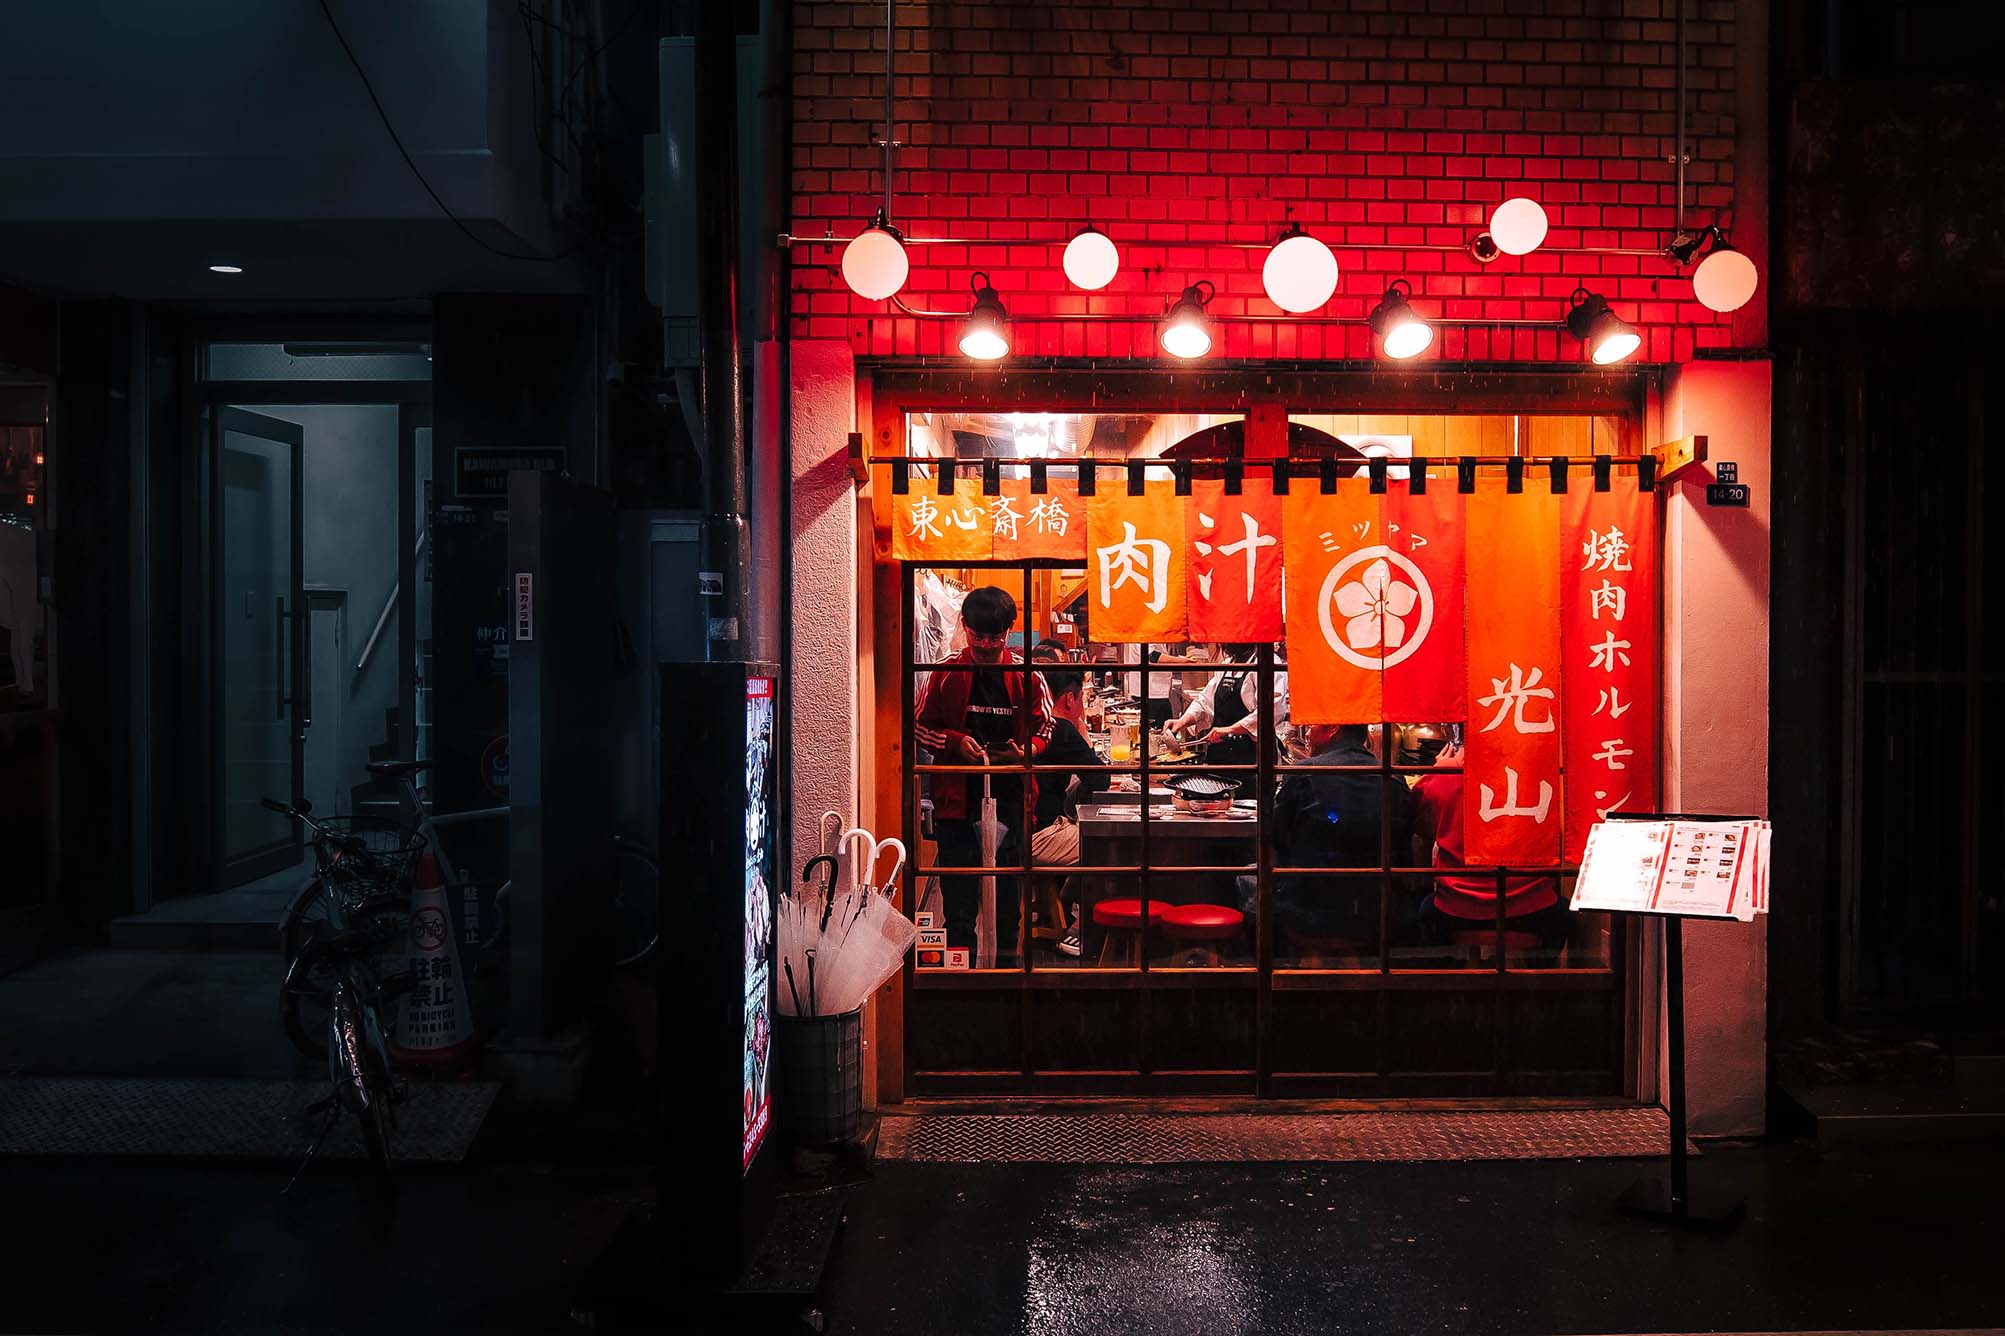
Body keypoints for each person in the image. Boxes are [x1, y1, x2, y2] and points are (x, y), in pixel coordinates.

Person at [914, 586, 1054, 958]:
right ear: (965, 626)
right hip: (955, 803)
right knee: (958, 905)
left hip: (1011, 799)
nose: (986, 645)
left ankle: (1006, 980)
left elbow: (1047, 729)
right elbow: (919, 726)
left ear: (1010, 629)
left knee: (1009, 904)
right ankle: (962, 984)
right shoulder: (945, 672)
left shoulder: (1028, 675)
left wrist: (1024, 751)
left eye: (995, 637)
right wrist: (955, 742)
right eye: (978, 636)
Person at [1238, 723, 1412, 947]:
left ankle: (1270, 970)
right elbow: (1403, 846)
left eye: (1311, 727)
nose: (1307, 734)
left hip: (1308, 909)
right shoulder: (1395, 780)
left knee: (1246, 879)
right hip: (1379, 910)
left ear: (1333, 729)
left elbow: (1275, 839)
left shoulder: (1302, 774)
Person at [1410, 740, 1568, 956]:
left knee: (1426, 913)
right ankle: (1541, 984)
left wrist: (1439, 768)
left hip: (1458, 906)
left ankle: (1443, 984)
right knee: (1562, 914)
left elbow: (1419, 821)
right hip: (1529, 905)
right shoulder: (1538, 768)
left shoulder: (1447, 772)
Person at [1028, 667, 1110, 957]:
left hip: (1021, 828)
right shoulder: (1060, 729)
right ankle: (1086, 933)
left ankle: (1063, 906)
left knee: (1087, 835)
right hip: (1038, 836)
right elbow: (1101, 779)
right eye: (1082, 700)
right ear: (1069, 699)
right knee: (1106, 845)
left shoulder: (1038, 725)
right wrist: (1083, 734)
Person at [1165, 643, 1265, 765]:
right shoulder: (1227, 664)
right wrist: (1182, 721)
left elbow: (1270, 712)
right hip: (1220, 752)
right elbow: (1205, 702)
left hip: (1251, 755)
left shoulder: (1264, 663)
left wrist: (1230, 730)